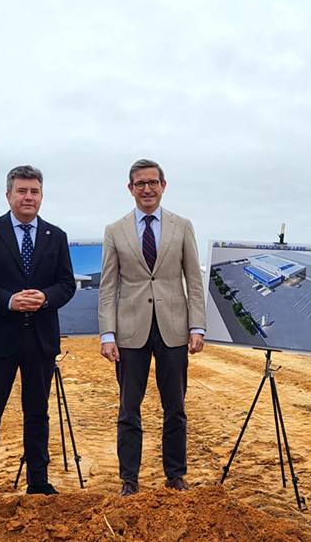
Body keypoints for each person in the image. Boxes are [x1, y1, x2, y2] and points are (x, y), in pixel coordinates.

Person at [0, 165, 76, 503]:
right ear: (9, 195)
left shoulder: (55, 236)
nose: (29, 197)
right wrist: (10, 300)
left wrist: (46, 298)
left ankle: (38, 483)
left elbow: (67, 283)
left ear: (41, 195)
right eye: (22, 191)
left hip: (40, 339)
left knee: (37, 413)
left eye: (35, 191)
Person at [98, 158, 206, 497]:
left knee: (175, 407)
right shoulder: (115, 231)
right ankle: (129, 478)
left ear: (163, 186)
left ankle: (175, 475)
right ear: (130, 188)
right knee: (129, 408)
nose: (147, 189)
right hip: (130, 333)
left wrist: (197, 326)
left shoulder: (182, 226)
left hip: (173, 329)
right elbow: (107, 286)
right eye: (140, 183)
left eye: (153, 182)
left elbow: (194, 278)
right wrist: (107, 334)